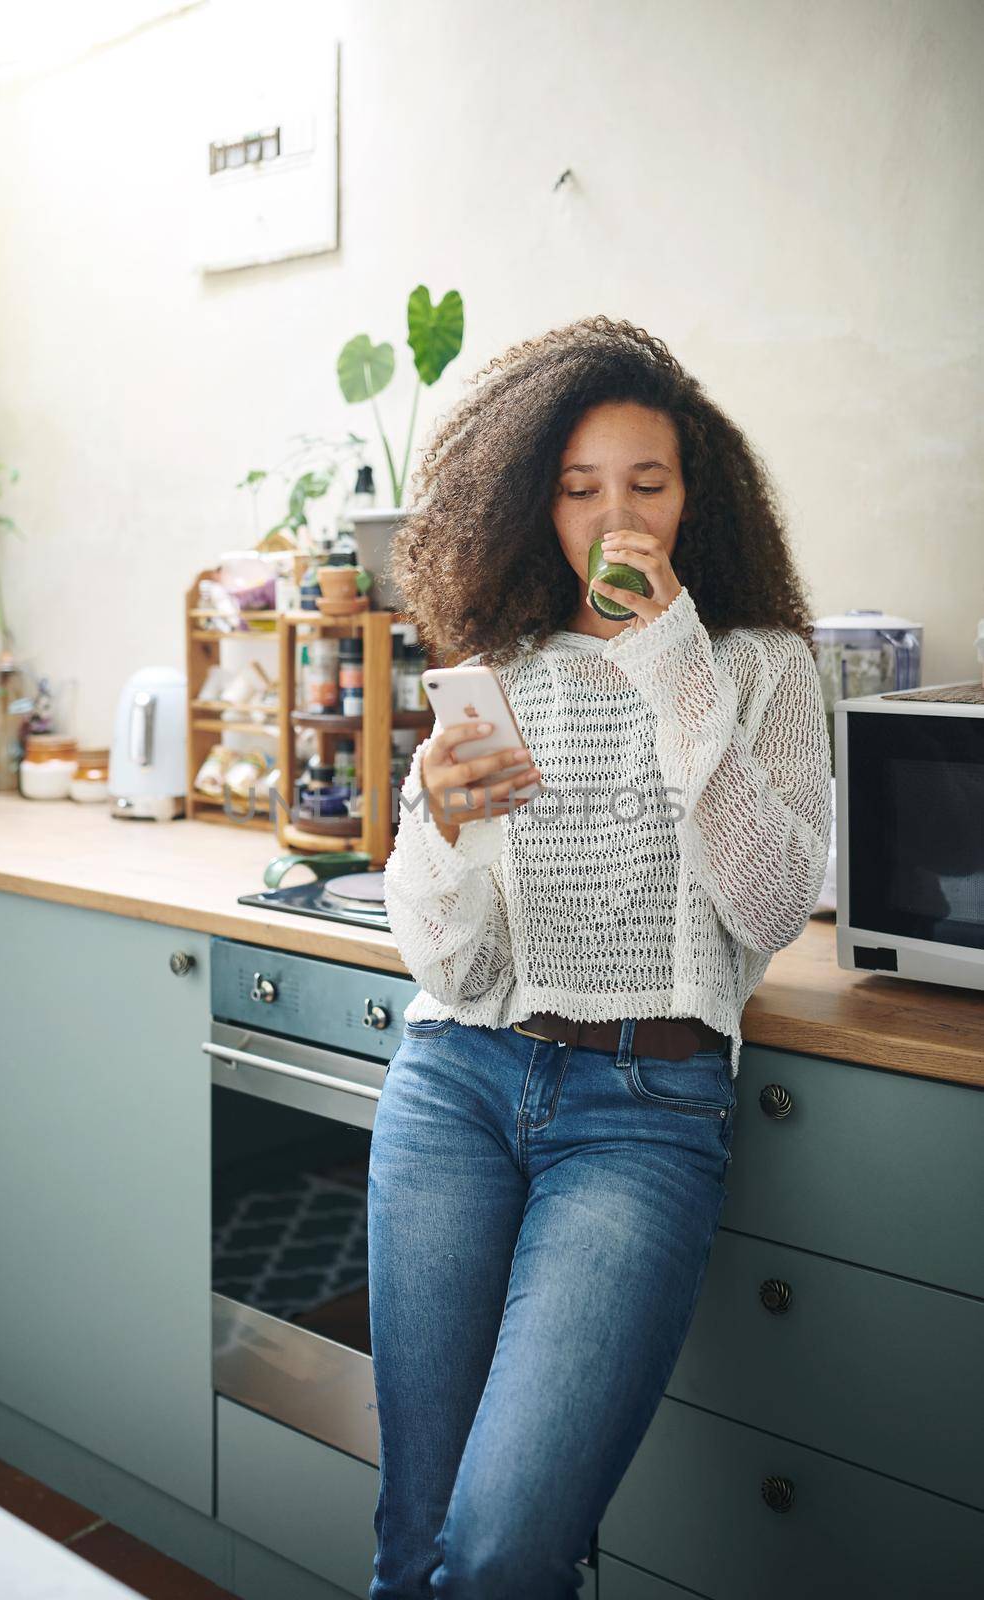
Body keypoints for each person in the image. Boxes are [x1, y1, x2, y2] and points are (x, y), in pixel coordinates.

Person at [366, 314, 832, 1600]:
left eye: (646, 483)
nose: (611, 514)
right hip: (454, 1089)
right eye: (576, 488)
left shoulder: (761, 667)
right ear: (534, 501)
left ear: (697, 496)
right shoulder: (497, 672)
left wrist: (668, 655)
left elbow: (773, 901)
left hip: (641, 1116)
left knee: (510, 1546)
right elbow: (451, 972)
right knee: (417, 1542)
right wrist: (442, 827)